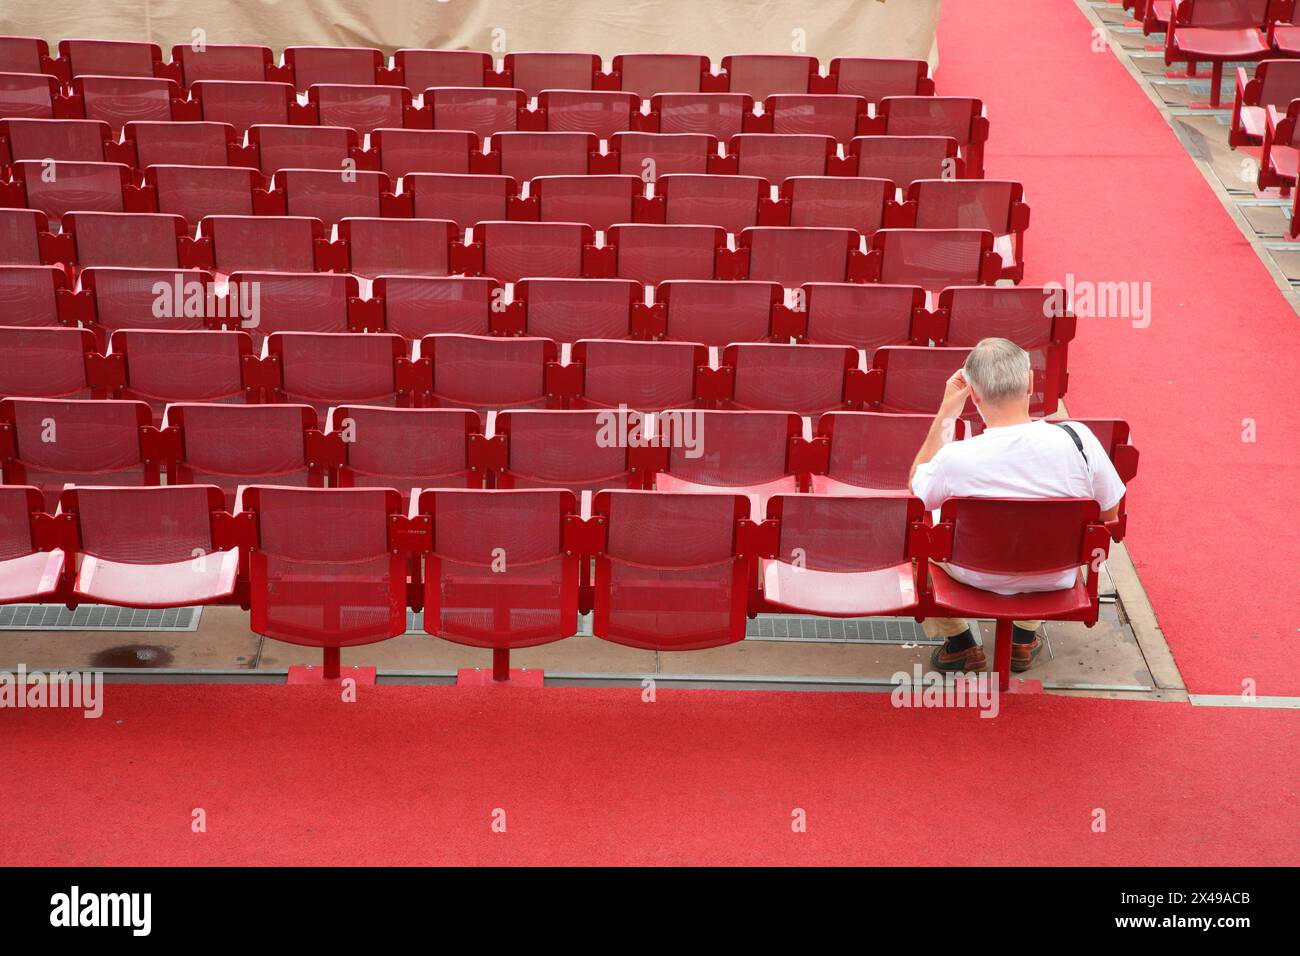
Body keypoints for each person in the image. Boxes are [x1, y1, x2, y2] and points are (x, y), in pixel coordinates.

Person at [909, 338, 1126, 673]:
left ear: (974, 396)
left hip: (974, 574)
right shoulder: (1079, 441)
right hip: (1053, 573)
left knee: (916, 536)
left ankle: (960, 644)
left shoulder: (955, 457)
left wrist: (946, 412)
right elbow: (1109, 517)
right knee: (1051, 529)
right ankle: (1022, 639)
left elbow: (914, 497)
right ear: (1031, 382)